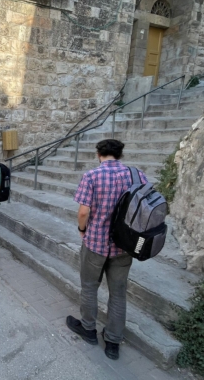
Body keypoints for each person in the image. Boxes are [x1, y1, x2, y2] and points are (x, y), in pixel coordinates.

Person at [66, 139, 148, 360]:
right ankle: (113, 342)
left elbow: (84, 212)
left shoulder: (92, 176)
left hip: (96, 243)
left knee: (90, 287)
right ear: (120, 154)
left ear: (98, 154)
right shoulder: (137, 175)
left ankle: (89, 329)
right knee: (118, 294)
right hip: (125, 245)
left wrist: (82, 230)